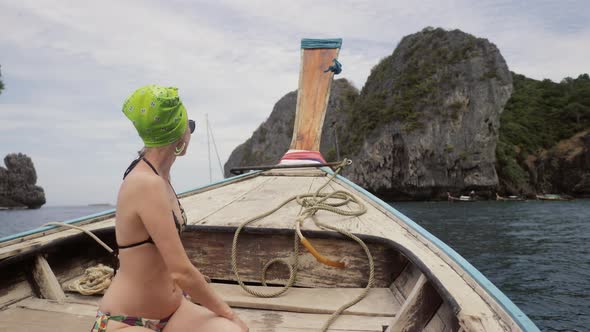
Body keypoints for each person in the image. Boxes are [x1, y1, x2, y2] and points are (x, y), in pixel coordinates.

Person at [91, 85, 248, 332]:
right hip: (126, 319)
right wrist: (229, 313)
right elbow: (181, 272)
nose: (190, 133)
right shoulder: (146, 183)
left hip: (174, 311)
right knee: (233, 324)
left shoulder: (161, 176)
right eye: (189, 126)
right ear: (178, 135)